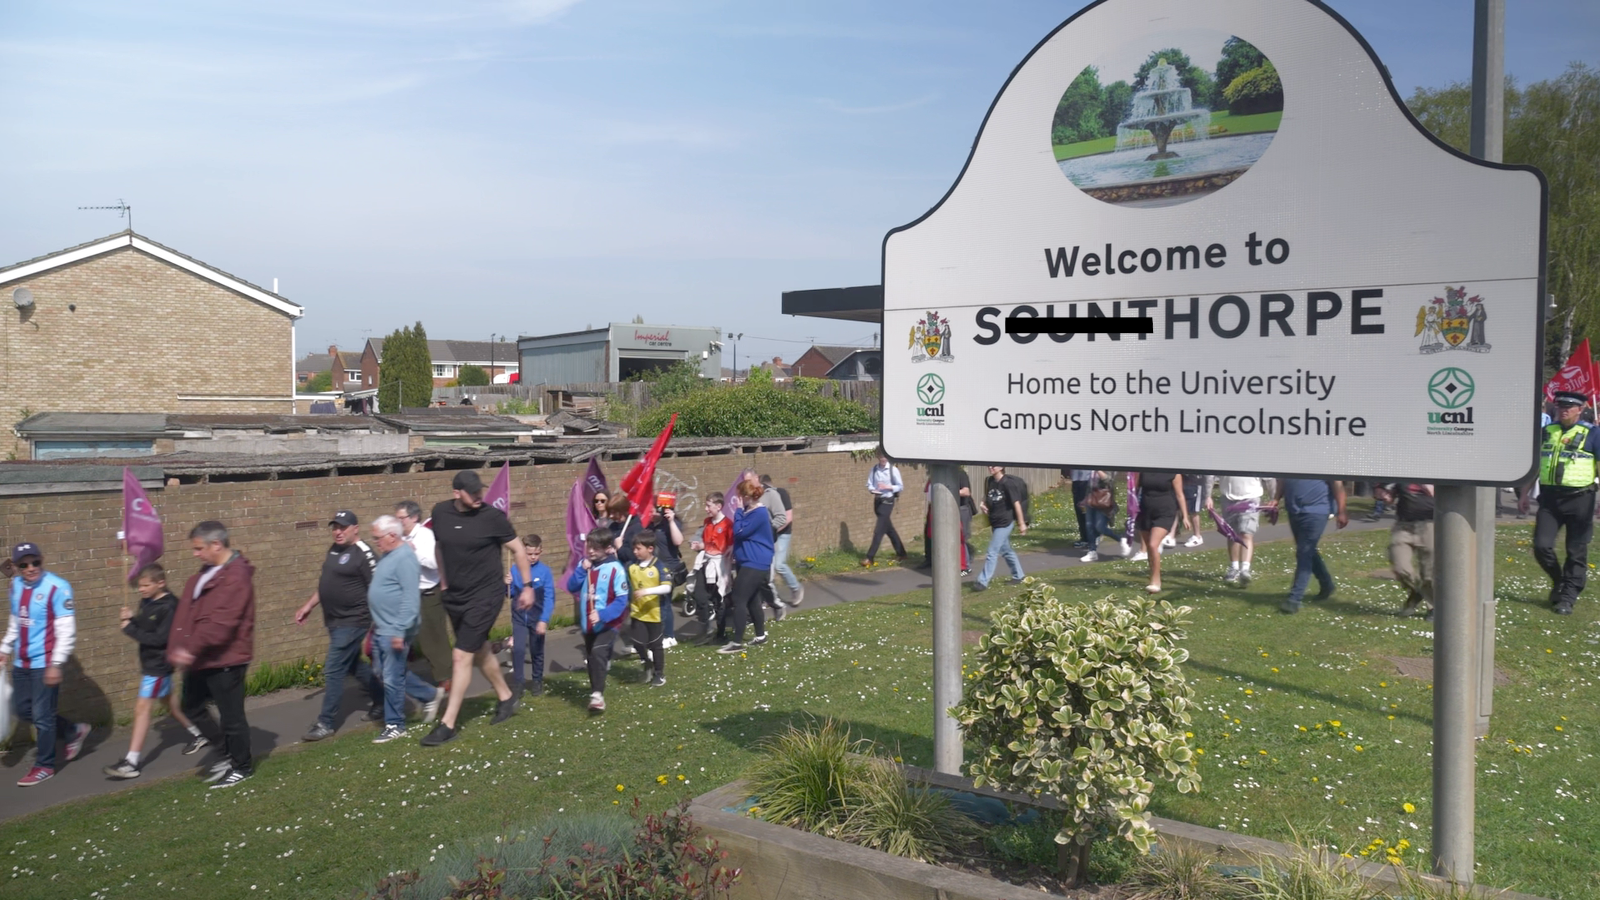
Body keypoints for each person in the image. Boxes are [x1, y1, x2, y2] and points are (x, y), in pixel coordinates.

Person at [422, 470, 534, 745]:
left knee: (461, 655)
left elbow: (518, 550)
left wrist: (528, 586)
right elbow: (439, 546)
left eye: (479, 491)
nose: (478, 496)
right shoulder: (440, 513)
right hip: (455, 596)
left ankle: (448, 723)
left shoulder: (492, 518)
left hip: (486, 595)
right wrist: (444, 581)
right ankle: (507, 697)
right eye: (472, 492)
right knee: (480, 649)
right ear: (456, 493)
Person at [168, 521, 257, 789]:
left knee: (232, 717)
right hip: (202, 658)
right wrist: (177, 647)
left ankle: (242, 766)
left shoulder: (235, 577)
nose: (195, 554)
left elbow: (221, 625)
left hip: (226, 659)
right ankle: (227, 753)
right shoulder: (208, 572)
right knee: (190, 707)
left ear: (216, 544)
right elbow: (190, 615)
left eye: (199, 548)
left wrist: (188, 650)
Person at [103, 563, 207, 779]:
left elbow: (161, 639)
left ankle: (131, 762)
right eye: (139, 586)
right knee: (170, 704)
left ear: (161, 583)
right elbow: (146, 627)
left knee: (142, 709)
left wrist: (129, 628)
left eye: (146, 585)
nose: (141, 589)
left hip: (159, 666)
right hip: (150, 663)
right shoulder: (147, 601)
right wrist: (131, 619)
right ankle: (199, 734)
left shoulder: (170, 607)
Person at [1, 542, 90, 786]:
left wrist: (56, 664)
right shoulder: (15, 585)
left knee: (42, 717)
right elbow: (15, 621)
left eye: (35, 562)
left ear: (42, 559)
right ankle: (72, 730)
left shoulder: (58, 588)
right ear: (18, 566)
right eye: (24, 564)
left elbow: (66, 631)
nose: (31, 568)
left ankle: (45, 766)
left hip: (45, 663)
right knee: (22, 710)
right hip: (22, 663)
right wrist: (4, 648)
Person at [294, 510, 381, 742]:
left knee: (333, 669)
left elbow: (379, 587)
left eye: (342, 527)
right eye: (334, 527)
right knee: (354, 665)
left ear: (355, 528)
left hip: (354, 620)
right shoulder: (334, 550)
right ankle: (382, 701)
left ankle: (326, 723)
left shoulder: (364, 553)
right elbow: (326, 585)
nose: (337, 532)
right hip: (333, 620)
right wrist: (308, 606)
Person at [367, 515, 446, 743]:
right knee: (384, 672)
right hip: (383, 627)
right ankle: (430, 695)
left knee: (391, 676)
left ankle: (395, 725)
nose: (375, 542)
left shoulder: (404, 559)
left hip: (396, 628)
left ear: (392, 535)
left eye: (378, 538)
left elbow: (411, 600)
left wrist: (400, 632)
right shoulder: (390, 555)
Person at [1534, 390, 1600, 615]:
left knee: (1576, 550)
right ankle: (1560, 580)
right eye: (1561, 405)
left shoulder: (1593, 434)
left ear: (1580, 409)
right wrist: (1524, 494)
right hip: (1550, 498)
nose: (1564, 409)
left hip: (1580, 498)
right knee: (1541, 546)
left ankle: (1567, 597)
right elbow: (1534, 463)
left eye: (1569, 406)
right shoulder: (1547, 432)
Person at [567, 528, 631, 712]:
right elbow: (572, 586)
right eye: (589, 547)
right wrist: (580, 569)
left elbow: (621, 600)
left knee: (597, 652)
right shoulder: (587, 565)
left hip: (608, 623)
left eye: (596, 548)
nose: (591, 551)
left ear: (608, 548)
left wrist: (603, 614)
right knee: (592, 657)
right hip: (588, 624)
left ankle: (597, 695)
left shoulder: (615, 569)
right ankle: (596, 687)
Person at [396, 500, 452, 689]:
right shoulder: (400, 538)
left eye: (401, 518)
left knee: (433, 638)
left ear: (413, 517)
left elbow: (435, 563)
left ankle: (446, 679)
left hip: (428, 595)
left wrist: (413, 553)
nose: (398, 522)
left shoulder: (425, 536)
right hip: (407, 594)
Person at [1276, 478, 1348, 613]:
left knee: (1304, 552)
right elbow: (1282, 480)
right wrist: (1275, 500)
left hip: (1317, 510)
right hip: (1294, 510)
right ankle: (1327, 584)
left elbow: (1337, 484)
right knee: (1307, 551)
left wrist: (1342, 510)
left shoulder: (1324, 460)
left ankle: (1294, 599)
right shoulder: (1290, 460)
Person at [720, 479, 774, 654]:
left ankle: (736, 642)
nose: (737, 500)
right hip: (746, 561)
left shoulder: (758, 513)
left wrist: (737, 513)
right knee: (752, 600)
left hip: (756, 562)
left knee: (739, 599)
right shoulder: (747, 511)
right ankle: (760, 635)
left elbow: (740, 532)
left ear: (745, 496)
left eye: (739, 496)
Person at [506, 534, 556, 697]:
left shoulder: (545, 572)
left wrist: (544, 620)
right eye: (529, 554)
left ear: (541, 551)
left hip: (537, 617)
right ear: (523, 552)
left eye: (536, 553)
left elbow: (549, 598)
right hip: (519, 617)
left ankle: (537, 681)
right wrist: (507, 584)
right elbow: (511, 594)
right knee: (518, 650)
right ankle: (518, 683)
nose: (533, 557)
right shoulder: (515, 569)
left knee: (537, 650)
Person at [627, 531, 671, 686]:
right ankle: (646, 662)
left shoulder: (659, 566)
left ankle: (659, 674)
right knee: (638, 642)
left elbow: (667, 587)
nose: (635, 552)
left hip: (655, 613)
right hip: (637, 612)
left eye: (638, 549)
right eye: (634, 549)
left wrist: (646, 591)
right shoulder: (632, 566)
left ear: (650, 548)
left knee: (656, 645)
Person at [1384, 483, 1436, 618]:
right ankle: (1417, 592)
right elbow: (1388, 493)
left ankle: (1433, 608)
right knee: (1400, 566)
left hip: (1430, 524)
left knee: (1429, 573)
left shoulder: (1439, 472)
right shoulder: (1403, 472)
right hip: (1404, 525)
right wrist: (1385, 496)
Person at [689, 492, 734, 644]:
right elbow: (703, 540)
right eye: (706, 505)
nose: (706, 508)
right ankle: (706, 629)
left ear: (719, 506)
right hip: (706, 562)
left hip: (719, 565)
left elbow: (725, 546)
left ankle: (720, 634)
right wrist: (697, 545)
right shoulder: (707, 522)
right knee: (699, 594)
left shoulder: (727, 524)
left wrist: (705, 546)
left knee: (719, 599)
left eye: (709, 505)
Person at [975, 466, 1027, 590]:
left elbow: (1017, 504)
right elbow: (987, 495)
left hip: (1005, 522)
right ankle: (1019, 575)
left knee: (992, 551)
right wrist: (982, 503)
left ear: (1001, 467)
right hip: (995, 521)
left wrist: (1021, 523)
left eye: (994, 465)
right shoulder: (990, 481)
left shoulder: (1008, 484)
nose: (991, 467)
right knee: (1006, 550)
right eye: (989, 465)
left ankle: (982, 581)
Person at [1206, 475, 1265, 585]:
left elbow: (1269, 479)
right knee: (1232, 534)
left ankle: (1245, 569)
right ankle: (1234, 567)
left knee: (1247, 533)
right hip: (1228, 499)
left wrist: (1273, 498)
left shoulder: (1257, 459)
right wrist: (1208, 496)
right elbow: (1210, 475)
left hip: (1251, 498)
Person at [1135, 472, 1186, 593]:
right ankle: (1152, 573)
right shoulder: (1143, 471)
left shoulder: (1174, 473)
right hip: (1145, 511)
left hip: (1165, 512)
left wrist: (1185, 516)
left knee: (1153, 544)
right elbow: (1135, 490)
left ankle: (1156, 581)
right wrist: (1132, 509)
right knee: (1149, 547)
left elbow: (1180, 495)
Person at [763, 474, 805, 606]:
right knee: (766, 567)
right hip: (769, 535)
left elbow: (788, 517)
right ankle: (768, 597)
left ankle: (796, 588)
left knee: (779, 564)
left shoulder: (781, 493)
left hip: (782, 534)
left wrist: (773, 530)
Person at [863, 452, 907, 566]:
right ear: (878, 457)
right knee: (889, 529)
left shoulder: (893, 470)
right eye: (881, 457)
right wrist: (873, 489)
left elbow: (900, 486)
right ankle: (902, 553)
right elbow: (869, 484)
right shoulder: (874, 469)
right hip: (877, 500)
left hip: (888, 501)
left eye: (885, 457)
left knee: (879, 530)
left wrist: (888, 487)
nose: (883, 459)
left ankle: (870, 557)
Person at [1078, 471, 1128, 562]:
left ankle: (1121, 539)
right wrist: (1085, 500)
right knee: (1089, 526)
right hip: (1091, 500)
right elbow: (1090, 485)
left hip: (1103, 500)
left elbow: (1109, 481)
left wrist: (1098, 470)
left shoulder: (1106, 467)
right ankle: (1092, 551)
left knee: (1100, 527)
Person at [1066, 469, 1094, 550]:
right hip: (1076, 479)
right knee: (1079, 510)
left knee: (1086, 511)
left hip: (1088, 480)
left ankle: (1091, 539)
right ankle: (1084, 538)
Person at [1178, 472, 1207, 548]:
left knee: (1194, 510)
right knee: (1178, 507)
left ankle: (1197, 536)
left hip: (1196, 482)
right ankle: (1171, 536)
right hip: (1184, 480)